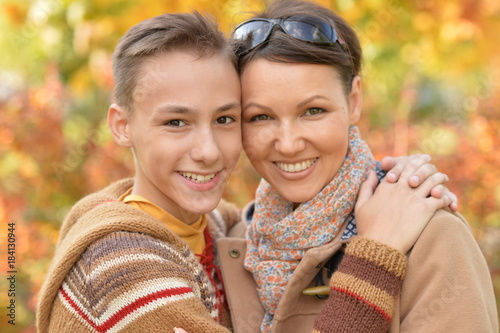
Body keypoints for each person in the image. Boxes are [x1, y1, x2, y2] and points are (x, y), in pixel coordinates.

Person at [36, 9, 459, 333]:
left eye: (225, 120)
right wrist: (376, 255)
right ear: (122, 126)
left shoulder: (230, 230)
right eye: (176, 122)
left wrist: (397, 177)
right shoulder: (123, 267)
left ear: (354, 103)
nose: (207, 151)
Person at [217, 0, 498, 332]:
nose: (289, 143)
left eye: (313, 111)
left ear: (353, 102)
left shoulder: (430, 237)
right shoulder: (239, 244)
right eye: (260, 117)